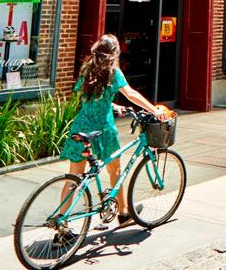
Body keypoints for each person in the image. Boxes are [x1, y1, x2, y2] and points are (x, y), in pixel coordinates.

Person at [60, 35, 166, 231]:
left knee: (73, 176)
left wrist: (112, 104)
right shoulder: (113, 72)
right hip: (102, 129)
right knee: (114, 169)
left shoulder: (87, 69)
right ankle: (124, 213)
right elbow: (130, 93)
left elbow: (86, 97)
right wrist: (154, 109)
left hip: (81, 126)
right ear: (114, 53)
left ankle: (62, 226)